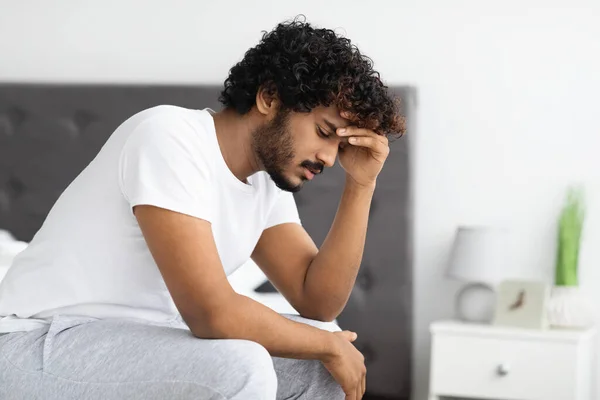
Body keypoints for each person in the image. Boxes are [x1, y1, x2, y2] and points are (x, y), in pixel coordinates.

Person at [0, 16, 404, 400]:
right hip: (36, 343)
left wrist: (361, 183)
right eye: (323, 132)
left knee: (320, 368)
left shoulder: (265, 182)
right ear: (268, 97)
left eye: (340, 144)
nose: (330, 158)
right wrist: (329, 345)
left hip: (138, 342)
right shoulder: (169, 137)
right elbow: (211, 314)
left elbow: (317, 302)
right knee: (244, 365)